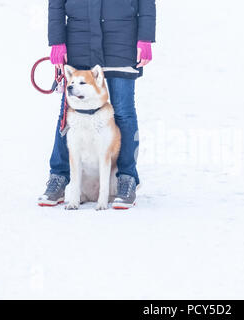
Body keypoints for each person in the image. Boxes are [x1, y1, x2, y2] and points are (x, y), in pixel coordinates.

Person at [38, 0, 156, 209]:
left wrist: (145, 37)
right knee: (69, 113)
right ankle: (59, 176)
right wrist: (57, 41)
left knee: (124, 112)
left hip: (122, 40)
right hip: (80, 41)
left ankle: (126, 178)